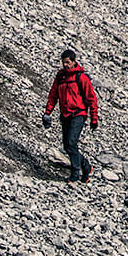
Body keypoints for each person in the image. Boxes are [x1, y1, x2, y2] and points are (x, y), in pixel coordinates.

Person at [43, 48, 99, 184]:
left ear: (74, 62)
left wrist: (94, 119)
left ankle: (75, 174)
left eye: (67, 62)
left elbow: (92, 99)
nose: (65, 65)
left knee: (71, 142)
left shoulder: (81, 78)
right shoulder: (60, 77)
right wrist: (47, 113)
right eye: (64, 62)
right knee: (67, 146)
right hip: (65, 115)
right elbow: (53, 95)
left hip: (78, 115)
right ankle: (86, 166)